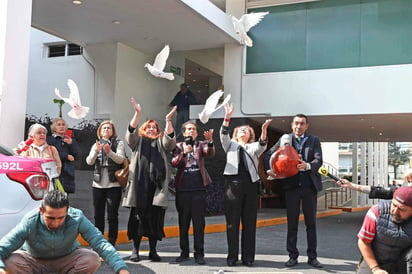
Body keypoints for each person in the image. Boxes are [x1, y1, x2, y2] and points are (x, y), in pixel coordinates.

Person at [0, 190, 129, 274]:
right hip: (34, 261)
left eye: (61, 218)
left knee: (92, 259)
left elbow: (100, 243)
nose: (56, 223)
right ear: (41, 211)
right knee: (12, 261)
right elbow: (3, 247)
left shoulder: (77, 217)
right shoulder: (30, 221)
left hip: (66, 260)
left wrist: (121, 269)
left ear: (67, 211)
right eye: (50, 218)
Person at [264, 113, 323, 268]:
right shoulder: (285, 139)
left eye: (302, 123)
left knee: (311, 223)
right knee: (292, 223)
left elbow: (318, 160)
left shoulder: (314, 140)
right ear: (292, 125)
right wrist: (270, 169)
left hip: (309, 186)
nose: (299, 126)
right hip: (291, 187)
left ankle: (312, 257)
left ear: (306, 126)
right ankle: (292, 256)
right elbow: (269, 154)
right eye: (296, 123)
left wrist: (307, 165)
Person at [122, 98, 176, 262]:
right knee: (137, 219)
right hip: (139, 187)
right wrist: (137, 113)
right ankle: (135, 251)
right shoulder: (138, 142)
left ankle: (153, 251)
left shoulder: (161, 142)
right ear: (144, 129)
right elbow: (130, 132)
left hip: (156, 188)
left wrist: (168, 121)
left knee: (155, 219)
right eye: (149, 127)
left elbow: (170, 140)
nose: (152, 129)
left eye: (154, 127)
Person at [220, 103, 271, 267]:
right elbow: (223, 135)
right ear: (236, 133)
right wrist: (227, 117)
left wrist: (263, 130)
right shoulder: (230, 145)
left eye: (246, 130)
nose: (243, 131)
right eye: (240, 129)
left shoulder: (253, 147)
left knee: (249, 223)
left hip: (250, 185)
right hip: (232, 185)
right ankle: (232, 257)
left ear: (250, 134)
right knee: (232, 223)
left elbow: (263, 144)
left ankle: (248, 257)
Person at [170, 121, 215, 265]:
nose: (191, 131)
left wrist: (210, 142)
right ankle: (184, 252)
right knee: (183, 223)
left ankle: (199, 253)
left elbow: (210, 153)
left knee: (199, 223)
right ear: (183, 133)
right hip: (183, 189)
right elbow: (174, 162)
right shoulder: (177, 146)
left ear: (196, 133)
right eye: (188, 129)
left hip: (198, 190)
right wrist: (184, 152)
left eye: (193, 129)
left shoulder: (201, 145)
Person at [86, 120, 125, 246]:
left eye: (109, 128)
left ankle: (112, 241)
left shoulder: (119, 143)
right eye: (104, 128)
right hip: (98, 185)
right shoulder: (95, 144)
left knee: (112, 215)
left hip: (114, 184)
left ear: (113, 131)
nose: (106, 130)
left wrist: (109, 152)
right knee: (98, 215)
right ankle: (99, 241)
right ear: (100, 131)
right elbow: (89, 162)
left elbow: (120, 159)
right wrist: (97, 151)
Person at [356, 186, 412, 274]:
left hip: (401, 263)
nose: (395, 211)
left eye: (401, 209)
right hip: (375, 259)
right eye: (394, 205)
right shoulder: (376, 212)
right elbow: (363, 242)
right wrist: (375, 269)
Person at [47, 118, 81, 194]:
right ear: (54, 128)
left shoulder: (70, 140)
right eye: (58, 125)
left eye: (63, 124)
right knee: (54, 197)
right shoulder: (50, 139)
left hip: (67, 173)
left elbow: (78, 155)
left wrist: (71, 144)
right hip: (55, 172)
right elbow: (51, 153)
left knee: (64, 198)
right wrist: (66, 156)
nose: (61, 126)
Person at [337, 168, 412, 200]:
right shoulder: (402, 193)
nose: (410, 184)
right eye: (409, 181)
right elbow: (378, 191)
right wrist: (352, 185)